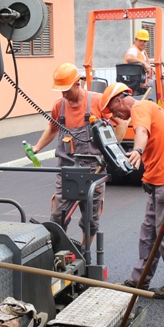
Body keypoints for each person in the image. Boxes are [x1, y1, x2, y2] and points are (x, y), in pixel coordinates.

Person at [101, 83, 164, 299]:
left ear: (119, 100)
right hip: (160, 182)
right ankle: (139, 281)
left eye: (114, 110)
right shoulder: (153, 108)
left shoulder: (139, 109)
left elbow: (142, 132)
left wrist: (138, 150)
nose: (116, 116)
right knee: (149, 235)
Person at [30, 63, 106, 243]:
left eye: (66, 89)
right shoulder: (59, 106)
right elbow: (52, 129)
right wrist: (37, 147)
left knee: (91, 219)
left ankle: (86, 256)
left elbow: (120, 123)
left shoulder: (97, 101)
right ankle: (59, 252)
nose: (63, 94)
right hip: (67, 171)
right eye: (61, 90)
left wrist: (109, 153)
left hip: (93, 171)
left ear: (77, 83)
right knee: (58, 216)